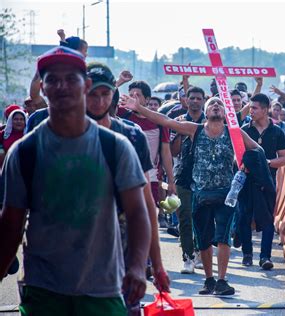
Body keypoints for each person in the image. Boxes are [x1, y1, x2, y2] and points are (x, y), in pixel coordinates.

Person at [0, 46, 150, 315]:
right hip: (43, 294)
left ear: (86, 85)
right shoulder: (24, 153)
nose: (62, 86)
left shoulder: (115, 147)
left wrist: (138, 267)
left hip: (103, 292)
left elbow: (138, 213)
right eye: (52, 80)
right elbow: (11, 225)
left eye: (71, 79)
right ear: (42, 89)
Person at [120, 94, 259, 295]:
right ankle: (209, 280)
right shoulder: (195, 130)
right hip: (201, 194)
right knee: (202, 239)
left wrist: (246, 166)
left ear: (225, 113)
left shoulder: (234, 133)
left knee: (223, 238)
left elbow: (257, 150)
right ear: (206, 111)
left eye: (220, 104)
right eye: (212, 104)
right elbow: (165, 121)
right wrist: (139, 108)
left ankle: (221, 280)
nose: (217, 107)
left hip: (226, 195)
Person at [85, 62, 170, 313]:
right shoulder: (63, 137)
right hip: (76, 256)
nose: (99, 101)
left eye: (105, 94)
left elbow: (146, 207)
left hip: (122, 252)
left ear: (113, 95)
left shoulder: (131, 137)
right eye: (92, 94)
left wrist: (156, 265)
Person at [117, 81, 176, 228]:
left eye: (137, 95)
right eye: (130, 95)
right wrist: (119, 82)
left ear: (147, 99)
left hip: (152, 176)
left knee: (146, 219)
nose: (133, 98)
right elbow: (103, 100)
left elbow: (166, 152)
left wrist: (171, 181)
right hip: (125, 175)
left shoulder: (158, 121)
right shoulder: (122, 115)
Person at [241, 93, 285, 269]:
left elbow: (283, 159)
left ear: (265, 110)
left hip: (268, 181)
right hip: (247, 181)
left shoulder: (277, 132)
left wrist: (265, 162)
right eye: (250, 107)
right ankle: (247, 254)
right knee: (244, 215)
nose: (250, 111)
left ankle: (265, 257)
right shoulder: (244, 130)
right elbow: (236, 156)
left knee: (268, 218)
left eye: (254, 108)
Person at [170, 86, 207, 274]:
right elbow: (173, 152)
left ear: (203, 100)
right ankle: (188, 257)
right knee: (184, 217)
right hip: (183, 176)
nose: (194, 101)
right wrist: (179, 131)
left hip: (205, 178)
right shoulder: (179, 122)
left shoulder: (209, 123)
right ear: (186, 100)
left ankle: (201, 252)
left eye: (198, 98)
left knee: (201, 218)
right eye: (191, 98)